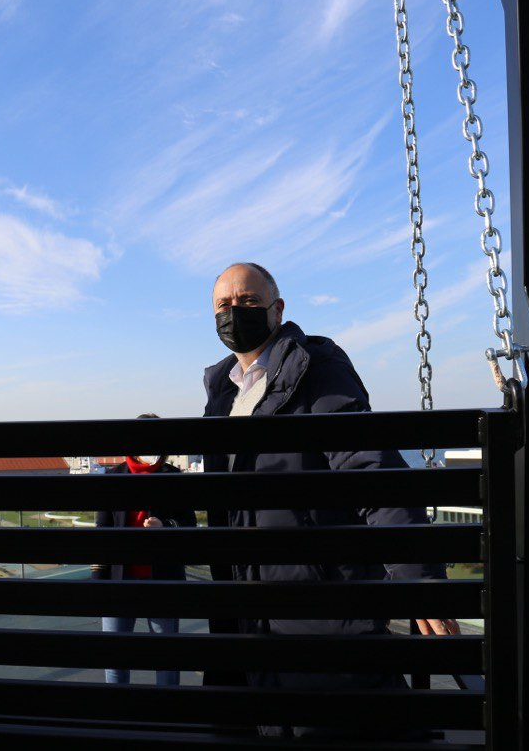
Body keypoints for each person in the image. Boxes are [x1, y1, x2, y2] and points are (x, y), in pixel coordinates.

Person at [202, 262, 458, 739]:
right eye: (224, 305)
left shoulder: (315, 369)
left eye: (249, 302)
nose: (235, 312)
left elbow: (372, 471)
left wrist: (420, 579)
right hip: (248, 619)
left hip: (319, 616)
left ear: (277, 310)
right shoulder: (223, 393)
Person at [90, 414, 196, 686]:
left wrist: (166, 525)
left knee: (166, 659)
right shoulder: (112, 478)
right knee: (115, 660)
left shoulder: (174, 477)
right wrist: (98, 582)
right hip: (118, 584)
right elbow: (101, 532)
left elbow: (189, 524)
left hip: (162, 581)